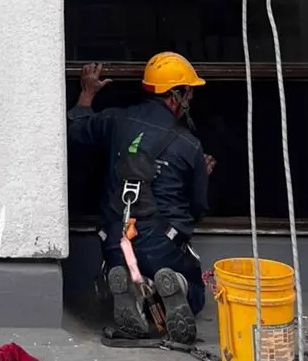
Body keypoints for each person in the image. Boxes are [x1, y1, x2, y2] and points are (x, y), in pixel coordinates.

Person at [67, 52, 214, 344]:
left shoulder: (115, 119)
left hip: (115, 241)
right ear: (176, 96)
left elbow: (75, 132)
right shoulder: (190, 145)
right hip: (162, 245)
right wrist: (202, 176)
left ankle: (136, 289)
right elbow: (197, 210)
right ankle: (179, 285)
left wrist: (87, 94)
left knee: (126, 265)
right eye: (189, 91)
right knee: (197, 292)